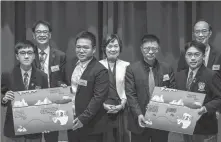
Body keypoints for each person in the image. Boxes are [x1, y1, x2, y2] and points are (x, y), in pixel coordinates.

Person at [125, 34, 176, 142]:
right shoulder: (132, 69)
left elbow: (172, 91)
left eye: (154, 48)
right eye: (147, 48)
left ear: (158, 49)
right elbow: (131, 95)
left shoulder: (166, 68)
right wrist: (138, 114)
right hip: (139, 120)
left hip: (161, 120)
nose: (151, 52)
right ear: (141, 49)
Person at [64, 31, 109, 142]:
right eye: (78, 47)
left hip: (91, 125)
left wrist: (82, 119)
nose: (81, 50)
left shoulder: (100, 70)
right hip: (72, 121)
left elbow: (98, 99)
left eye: (85, 47)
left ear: (93, 50)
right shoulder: (70, 64)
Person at [1, 40, 48, 142]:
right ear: (17, 56)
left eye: (30, 53)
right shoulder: (7, 75)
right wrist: (4, 99)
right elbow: (2, 99)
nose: (26, 56)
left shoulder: (42, 76)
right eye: (22, 53)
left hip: (34, 130)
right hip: (13, 128)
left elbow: (46, 102)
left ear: (34, 56)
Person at [175, 40, 221, 142]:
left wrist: (205, 108)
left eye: (197, 54)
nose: (192, 58)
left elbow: (219, 98)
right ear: (185, 56)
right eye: (189, 54)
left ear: (203, 56)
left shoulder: (211, 75)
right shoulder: (179, 75)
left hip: (205, 128)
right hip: (186, 127)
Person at [31, 20, 66, 142]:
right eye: (38, 32)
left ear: (50, 35)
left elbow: (63, 79)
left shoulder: (60, 56)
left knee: (52, 138)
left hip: (53, 103)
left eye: (45, 32)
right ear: (33, 35)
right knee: (33, 138)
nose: (42, 35)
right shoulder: (27, 54)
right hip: (33, 104)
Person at [99, 34, 130, 142]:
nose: (113, 49)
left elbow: (129, 89)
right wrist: (103, 105)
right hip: (102, 110)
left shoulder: (127, 66)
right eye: (109, 46)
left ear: (120, 48)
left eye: (116, 46)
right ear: (104, 48)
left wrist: (122, 104)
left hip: (122, 108)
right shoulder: (97, 66)